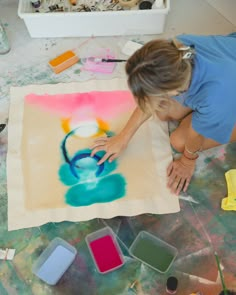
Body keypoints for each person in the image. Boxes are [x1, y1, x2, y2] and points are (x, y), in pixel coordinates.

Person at [91, 33, 236, 195]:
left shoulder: (216, 97)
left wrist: (188, 161)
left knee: (180, 142)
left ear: (175, 89)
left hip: (227, 94)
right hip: (228, 63)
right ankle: (201, 113)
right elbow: (149, 96)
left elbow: (197, 135)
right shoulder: (173, 52)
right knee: (165, 111)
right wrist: (123, 137)